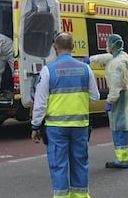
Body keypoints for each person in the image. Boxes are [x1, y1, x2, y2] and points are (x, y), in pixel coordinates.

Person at [31, 32, 100, 198]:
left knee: (58, 164)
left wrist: (35, 126)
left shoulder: (48, 71)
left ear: (55, 47)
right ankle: (81, 196)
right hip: (80, 126)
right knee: (80, 163)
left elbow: (40, 104)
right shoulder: (86, 69)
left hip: (57, 128)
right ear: (73, 47)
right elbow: (95, 97)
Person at [86, 34, 128, 168]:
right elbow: (106, 56)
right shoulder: (122, 55)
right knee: (127, 127)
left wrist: (110, 102)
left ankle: (122, 160)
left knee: (118, 128)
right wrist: (91, 59)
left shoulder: (116, 64)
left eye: (108, 44)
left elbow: (115, 86)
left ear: (112, 46)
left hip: (121, 96)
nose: (106, 47)